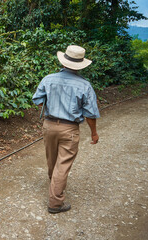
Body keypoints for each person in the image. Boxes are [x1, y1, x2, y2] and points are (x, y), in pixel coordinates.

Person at [32, 45, 100, 214]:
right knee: (62, 164)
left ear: (64, 61)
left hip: (49, 126)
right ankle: (55, 202)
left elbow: (38, 100)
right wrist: (94, 132)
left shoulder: (48, 79)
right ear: (81, 64)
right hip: (69, 129)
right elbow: (90, 114)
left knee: (52, 161)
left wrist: (53, 102)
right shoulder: (85, 85)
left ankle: (54, 186)